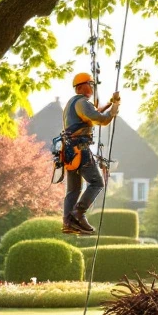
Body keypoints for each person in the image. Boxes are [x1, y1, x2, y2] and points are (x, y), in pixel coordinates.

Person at [62, 71, 120, 234]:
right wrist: (115, 106)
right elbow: (101, 119)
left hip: (69, 151)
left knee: (73, 189)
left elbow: (91, 115)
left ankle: (68, 222)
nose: (93, 87)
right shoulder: (82, 102)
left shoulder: (72, 104)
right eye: (91, 84)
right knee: (97, 183)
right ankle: (78, 213)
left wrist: (108, 104)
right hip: (80, 149)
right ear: (82, 87)